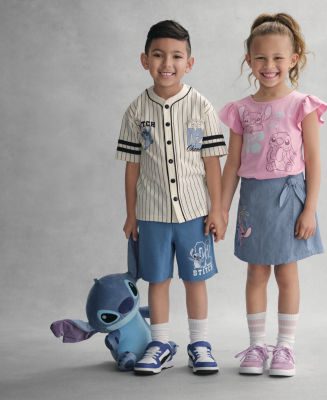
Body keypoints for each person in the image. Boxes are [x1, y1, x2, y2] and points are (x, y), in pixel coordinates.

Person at [219, 13, 327, 377]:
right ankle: (256, 346)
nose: (269, 66)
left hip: (289, 199)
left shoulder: (302, 105)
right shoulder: (241, 109)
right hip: (254, 200)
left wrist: (309, 209)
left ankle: (285, 347)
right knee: (255, 273)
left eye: (278, 58)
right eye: (261, 58)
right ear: (249, 60)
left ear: (293, 59)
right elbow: (232, 163)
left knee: (286, 272)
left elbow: (313, 161)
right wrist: (221, 209)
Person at [115, 20, 227, 375]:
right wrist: (131, 215)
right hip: (152, 214)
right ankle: (160, 344)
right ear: (145, 60)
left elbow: (212, 163)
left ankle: (200, 344)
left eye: (177, 56)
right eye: (158, 55)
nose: (167, 63)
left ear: (189, 63)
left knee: (195, 279)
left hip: (195, 213)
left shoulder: (201, 106)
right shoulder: (136, 111)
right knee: (157, 279)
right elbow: (132, 167)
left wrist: (217, 210)